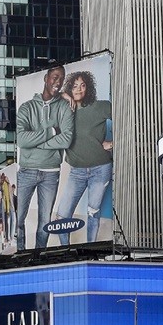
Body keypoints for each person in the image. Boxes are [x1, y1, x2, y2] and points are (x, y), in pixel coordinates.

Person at [15, 65, 75, 251]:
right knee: (18, 218)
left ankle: (39, 256)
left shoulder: (64, 107)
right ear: (46, 78)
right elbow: (21, 140)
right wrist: (51, 131)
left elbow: (66, 139)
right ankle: (20, 254)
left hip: (51, 173)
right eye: (55, 77)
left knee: (45, 221)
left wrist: (38, 143)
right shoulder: (27, 108)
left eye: (61, 78)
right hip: (26, 171)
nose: (58, 82)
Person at [53, 70, 113, 245]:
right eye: (74, 86)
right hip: (76, 172)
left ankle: (91, 249)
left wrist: (113, 143)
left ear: (88, 87)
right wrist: (63, 95)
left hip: (100, 169)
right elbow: (47, 97)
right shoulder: (63, 110)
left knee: (93, 212)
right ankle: (67, 251)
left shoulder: (100, 107)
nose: (79, 89)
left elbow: (127, 119)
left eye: (83, 85)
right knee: (61, 216)